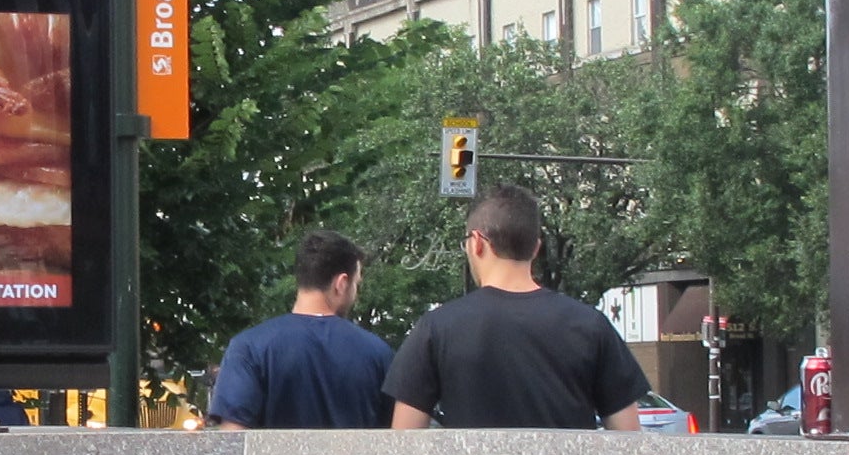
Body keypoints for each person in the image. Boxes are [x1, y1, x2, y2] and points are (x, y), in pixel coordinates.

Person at [384, 184, 650, 429]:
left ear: (477, 243)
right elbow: (627, 440)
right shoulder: (591, 325)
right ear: (535, 248)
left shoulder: (436, 328)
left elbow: (405, 444)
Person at [209, 232, 395, 429]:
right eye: (356, 284)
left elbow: (232, 438)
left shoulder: (248, 347)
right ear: (341, 284)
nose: (356, 294)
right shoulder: (379, 352)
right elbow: (395, 438)